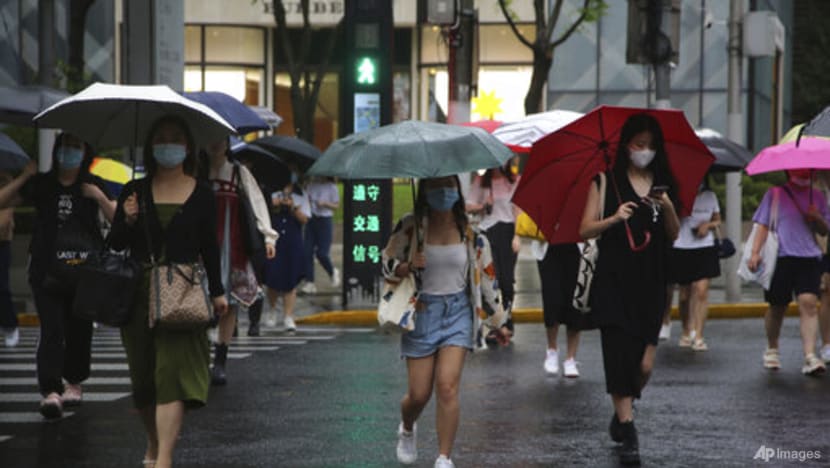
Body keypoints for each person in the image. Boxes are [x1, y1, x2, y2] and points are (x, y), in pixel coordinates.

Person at [108, 115, 228, 468]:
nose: (168, 144)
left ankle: (164, 459)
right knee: (144, 381)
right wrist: (127, 219)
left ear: (188, 147)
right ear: (150, 146)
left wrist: (219, 292)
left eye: (175, 138)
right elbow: (114, 243)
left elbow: (210, 245)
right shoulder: (134, 191)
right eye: (161, 138)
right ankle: (153, 441)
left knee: (171, 376)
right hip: (138, 294)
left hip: (182, 291)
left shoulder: (203, 193)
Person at [384, 176, 506, 468]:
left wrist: (499, 321)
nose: (444, 193)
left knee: (447, 386)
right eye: (437, 186)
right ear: (425, 190)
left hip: (458, 312)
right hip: (422, 312)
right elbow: (385, 263)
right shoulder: (411, 226)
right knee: (418, 394)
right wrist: (407, 265)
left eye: (450, 186)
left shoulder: (470, 231)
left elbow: (487, 277)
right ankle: (407, 427)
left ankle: (443, 458)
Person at [579, 114, 680, 466]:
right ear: (626, 145)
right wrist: (614, 218)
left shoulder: (662, 184)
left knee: (644, 365)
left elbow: (674, 233)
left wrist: (667, 207)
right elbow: (585, 229)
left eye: (651, 145)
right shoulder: (604, 181)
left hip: (651, 283)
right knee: (619, 354)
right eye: (639, 144)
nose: (645, 152)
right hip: (613, 282)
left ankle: (622, 411)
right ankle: (628, 426)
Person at [0, 133, 114, 419]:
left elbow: (117, 219)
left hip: (84, 271)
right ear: (56, 149)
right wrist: (25, 177)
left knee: (80, 329)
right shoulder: (43, 184)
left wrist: (98, 197)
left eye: (76, 146)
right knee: (51, 330)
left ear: (85, 152)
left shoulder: (92, 183)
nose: (69, 152)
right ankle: (51, 391)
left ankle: (73, 383)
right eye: (65, 146)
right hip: (45, 270)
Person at [203, 137, 277, 385]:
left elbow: (257, 202)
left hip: (233, 245)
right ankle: (201, 356)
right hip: (201, 248)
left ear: (227, 144)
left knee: (231, 302)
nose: (214, 144)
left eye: (219, 139)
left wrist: (268, 237)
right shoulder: (194, 170)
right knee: (198, 302)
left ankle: (220, 360)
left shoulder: (238, 172)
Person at [746, 169, 829, 376]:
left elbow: (825, 230)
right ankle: (772, 348)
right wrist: (755, 252)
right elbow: (763, 225)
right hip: (780, 258)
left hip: (809, 257)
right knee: (777, 306)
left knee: (808, 303)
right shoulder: (774, 194)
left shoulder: (817, 196)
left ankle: (810, 356)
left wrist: (817, 217)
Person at [662, 182, 722, 351]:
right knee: (684, 295)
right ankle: (686, 330)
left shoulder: (710, 196)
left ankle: (699, 334)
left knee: (701, 290)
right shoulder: (677, 195)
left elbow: (717, 219)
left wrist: (707, 225)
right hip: (682, 247)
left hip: (704, 248)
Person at [466, 156, 521, 341]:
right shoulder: (481, 182)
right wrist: (483, 206)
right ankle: (494, 325)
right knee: (490, 280)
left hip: (507, 233)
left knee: (506, 280)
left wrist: (517, 236)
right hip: (488, 232)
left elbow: (518, 210)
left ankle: (507, 321)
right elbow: (467, 205)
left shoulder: (513, 181)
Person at [263, 172, 310, 332]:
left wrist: (292, 207)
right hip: (275, 238)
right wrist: (274, 205)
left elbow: (304, 219)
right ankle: (272, 309)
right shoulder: (271, 193)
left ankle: (288, 316)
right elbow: (263, 215)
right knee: (272, 276)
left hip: (292, 239)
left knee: (291, 278)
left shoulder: (301, 195)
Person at [533, 240, 583, 377]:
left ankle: (571, 358)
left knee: (574, 303)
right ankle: (552, 349)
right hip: (547, 244)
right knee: (551, 299)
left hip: (577, 244)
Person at [300, 176, 340, 294]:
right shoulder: (311, 185)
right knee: (307, 251)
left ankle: (332, 271)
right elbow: (305, 200)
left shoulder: (332, 187)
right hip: (311, 220)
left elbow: (336, 206)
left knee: (322, 253)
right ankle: (310, 282)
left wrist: (325, 204)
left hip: (325, 220)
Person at [0, 172, 17, 348]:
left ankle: (9, 325)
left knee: (2, 289)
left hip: (1, 245)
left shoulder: (7, 186)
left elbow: (3, 224)